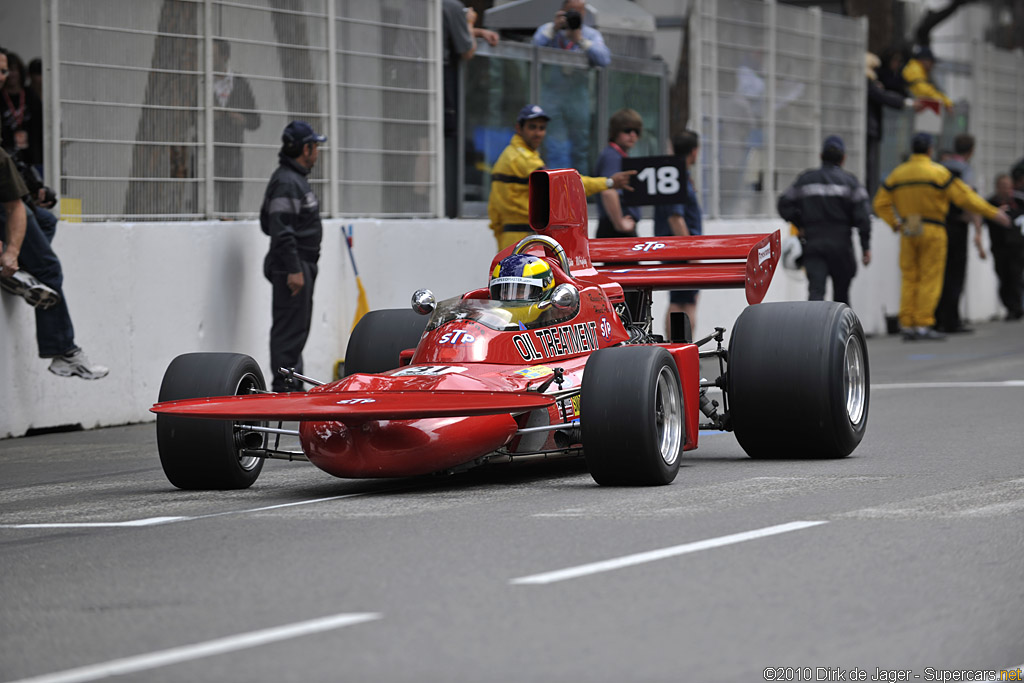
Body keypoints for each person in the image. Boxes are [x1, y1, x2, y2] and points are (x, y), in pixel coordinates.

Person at [873, 133, 1009, 341]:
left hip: (910, 225)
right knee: (930, 276)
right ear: (929, 150)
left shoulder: (897, 174)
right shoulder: (938, 172)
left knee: (910, 276)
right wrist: (992, 212)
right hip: (933, 227)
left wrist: (895, 223)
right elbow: (964, 196)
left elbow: (879, 204)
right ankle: (923, 324)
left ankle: (908, 323)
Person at [0, 148, 109, 379]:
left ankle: (20, 273)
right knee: (49, 270)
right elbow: (14, 208)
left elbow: (17, 200)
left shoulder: (3, 156)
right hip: (7, 211)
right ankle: (64, 352)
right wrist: (11, 250)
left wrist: (34, 192)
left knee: (47, 221)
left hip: (14, 206)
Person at [487, 104, 634, 252]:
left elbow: (494, 207)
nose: (538, 133)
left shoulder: (511, 154)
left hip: (514, 237)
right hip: (523, 239)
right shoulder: (522, 158)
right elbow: (565, 185)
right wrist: (609, 182)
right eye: (532, 127)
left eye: (542, 128)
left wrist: (500, 231)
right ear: (519, 128)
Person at [260, 121, 326, 392]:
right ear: (306, 149)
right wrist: (294, 269)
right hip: (293, 267)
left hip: (300, 265)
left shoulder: (294, 180)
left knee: (296, 331)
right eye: (315, 147)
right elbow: (280, 230)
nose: (318, 153)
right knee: (289, 332)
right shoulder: (288, 182)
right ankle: (285, 389)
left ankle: (292, 385)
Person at [777, 135, 872, 305]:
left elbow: (783, 203)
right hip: (841, 246)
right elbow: (863, 218)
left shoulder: (806, 180)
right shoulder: (851, 183)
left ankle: (814, 331)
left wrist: (800, 223)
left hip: (814, 245)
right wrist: (866, 247)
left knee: (816, 293)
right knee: (841, 298)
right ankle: (842, 332)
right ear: (843, 158)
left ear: (821, 156)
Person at [532, 0, 610, 172]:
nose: (576, 14)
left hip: (578, 97)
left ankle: (579, 191)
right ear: (562, 11)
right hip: (552, 95)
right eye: (571, 11)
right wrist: (554, 28)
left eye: (580, 11)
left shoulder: (590, 35)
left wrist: (580, 40)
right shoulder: (550, 30)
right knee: (556, 146)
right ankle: (557, 190)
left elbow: (604, 59)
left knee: (580, 148)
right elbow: (533, 47)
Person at [442, 0, 498, 218]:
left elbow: (446, 31)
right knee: (437, 138)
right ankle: (438, 200)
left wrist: (479, 31)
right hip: (442, 77)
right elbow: (467, 50)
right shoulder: (452, 6)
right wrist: (469, 22)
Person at [934, 134, 987, 333]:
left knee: (938, 272)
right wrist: (977, 231)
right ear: (971, 150)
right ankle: (951, 320)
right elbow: (969, 199)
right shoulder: (965, 169)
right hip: (957, 226)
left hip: (939, 224)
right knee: (955, 274)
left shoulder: (940, 166)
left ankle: (936, 318)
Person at [654, 131, 702, 336]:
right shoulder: (676, 177)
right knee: (683, 303)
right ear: (694, 152)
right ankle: (681, 354)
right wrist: (689, 253)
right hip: (682, 252)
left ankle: (677, 352)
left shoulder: (677, 175)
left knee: (681, 301)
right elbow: (675, 217)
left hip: (678, 250)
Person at [212, 39, 260, 215]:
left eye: (213, 55)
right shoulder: (201, 82)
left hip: (232, 150)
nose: (209, 59)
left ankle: (229, 226)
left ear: (225, 57)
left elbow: (255, 121)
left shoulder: (239, 84)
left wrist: (241, 119)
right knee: (204, 196)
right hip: (206, 150)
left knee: (231, 199)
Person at [866, 50, 917, 196]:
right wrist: (908, 103)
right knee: (870, 167)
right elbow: (882, 96)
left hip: (872, 128)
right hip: (871, 129)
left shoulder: (872, 82)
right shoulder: (868, 82)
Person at [595, 108, 643, 238]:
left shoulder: (617, 155)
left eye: (636, 131)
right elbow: (608, 191)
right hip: (615, 228)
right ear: (615, 131)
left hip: (616, 225)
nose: (632, 135)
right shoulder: (612, 156)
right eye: (627, 130)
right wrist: (619, 223)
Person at [984, 172, 1024, 322]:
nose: (1005, 189)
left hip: (1017, 246)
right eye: (1002, 186)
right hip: (999, 246)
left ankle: (1016, 308)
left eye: (1008, 186)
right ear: (997, 188)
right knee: (1003, 276)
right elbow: (983, 218)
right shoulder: (991, 203)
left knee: (1016, 276)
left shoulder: (1019, 201)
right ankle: (1009, 306)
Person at [1, 49, 44, 172]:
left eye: (14, 69)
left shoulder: (30, 95)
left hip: (33, 157)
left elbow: (40, 126)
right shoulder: (1, 96)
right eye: (6, 70)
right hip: (7, 157)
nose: (11, 74)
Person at [489, 253, 555, 326]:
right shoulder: (490, 321)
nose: (512, 298)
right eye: (505, 292)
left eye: (521, 292)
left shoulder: (558, 318)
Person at [901, 46, 952, 113]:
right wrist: (946, 102)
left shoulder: (920, 70)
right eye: (931, 61)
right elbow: (924, 91)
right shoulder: (915, 70)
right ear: (923, 60)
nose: (932, 65)